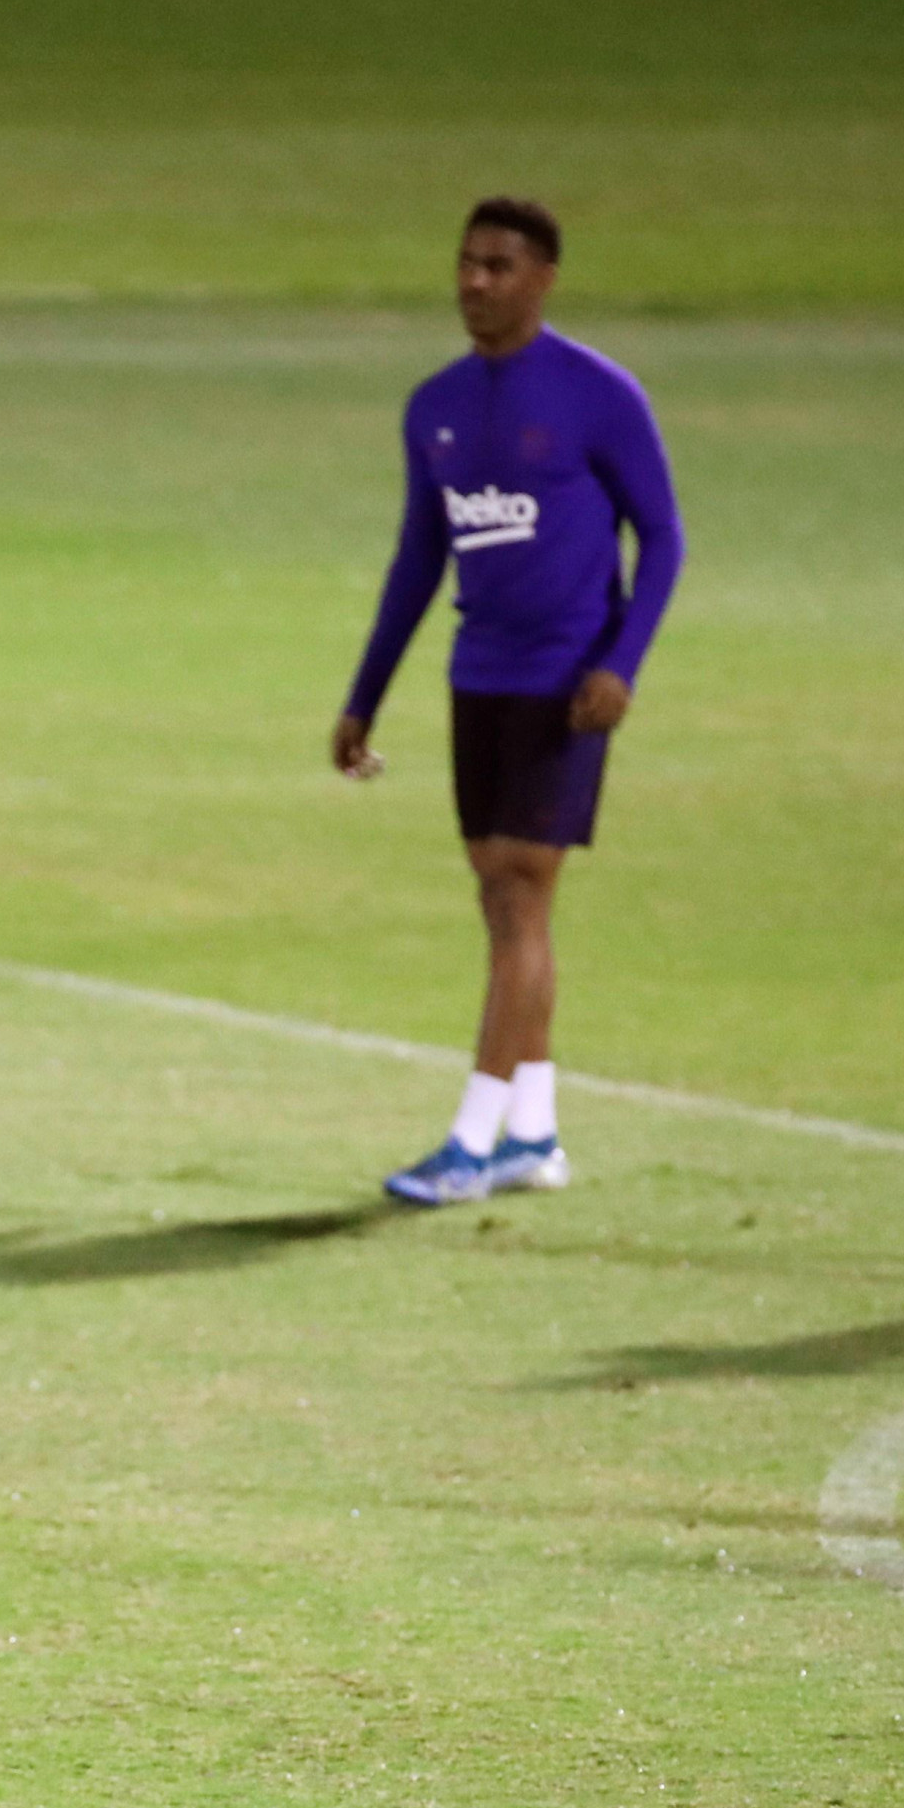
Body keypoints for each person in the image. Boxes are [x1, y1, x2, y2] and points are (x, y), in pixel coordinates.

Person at [333, 195, 684, 1207]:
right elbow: (416, 560)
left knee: (520, 893)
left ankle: (475, 1138)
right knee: (502, 900)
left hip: (564, 684)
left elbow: (662, 538)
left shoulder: (596, 395)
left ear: (541, 279)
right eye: (464, 263)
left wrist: (623, 663)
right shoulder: (433, 405)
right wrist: (365, 698)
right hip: (475, 676)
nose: (472, 282)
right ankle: (533, 1131)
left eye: (496, 266)